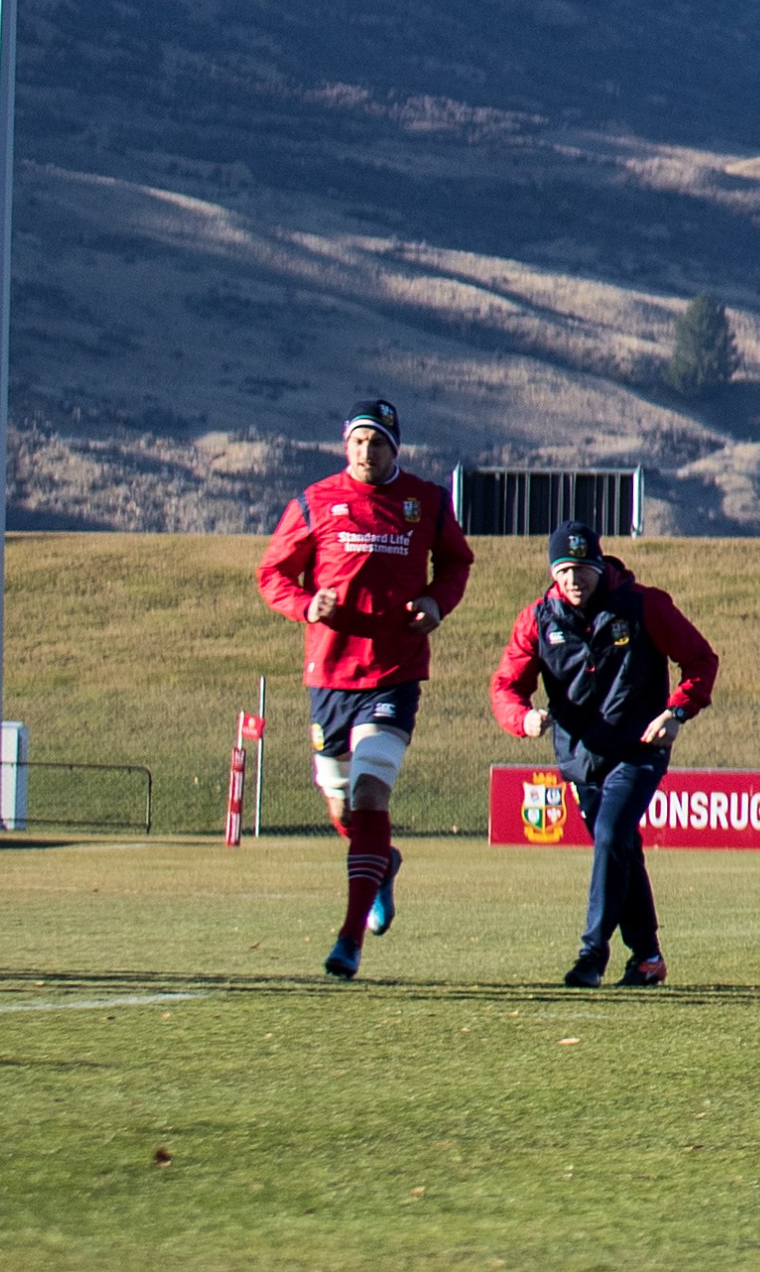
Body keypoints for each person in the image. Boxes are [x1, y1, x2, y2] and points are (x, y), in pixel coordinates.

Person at [254, 396, 473, 979]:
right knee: (342, 805)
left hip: (394, 671)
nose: (366, 452)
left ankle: (349, 939)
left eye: (377, 443)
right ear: (344, 444)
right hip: (329, 673)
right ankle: (382, 863)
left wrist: (434, 601)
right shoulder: (315, 501)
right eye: (357, 441)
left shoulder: (424, 502)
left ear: (394, 447)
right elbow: (271, 573)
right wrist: (306, 604)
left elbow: (456, 565)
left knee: (372, 794)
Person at [487, 524, 717, 987]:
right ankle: (648, 957)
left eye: (583, 569)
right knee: (622, 850)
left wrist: (678, 711)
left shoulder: (643, 605)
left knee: (612, 834)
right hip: (581, 759)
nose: (575, 580)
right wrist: (521, 718)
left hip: (638, 751)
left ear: (600, 566)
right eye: (564, 570)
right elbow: (505, 686)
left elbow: (700, 660)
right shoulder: (538, 619)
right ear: (554, 573)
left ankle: (591, 955)